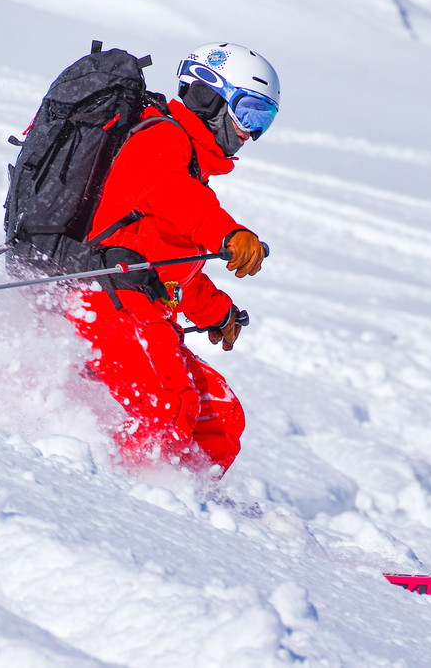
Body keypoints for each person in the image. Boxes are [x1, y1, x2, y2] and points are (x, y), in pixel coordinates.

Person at [66, 43, 280, 478]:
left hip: (138, 303)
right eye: (248, 112)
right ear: (209, 96)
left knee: (219, 417)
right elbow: (175, 197)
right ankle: (127, 496)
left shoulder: (191, 168)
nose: (250, 132)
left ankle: (190, 499)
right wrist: (229, 233)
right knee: (169, 400)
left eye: (264, 120)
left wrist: (217, 311)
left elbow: (171, 262)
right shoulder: (161, 139)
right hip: (99, 294)